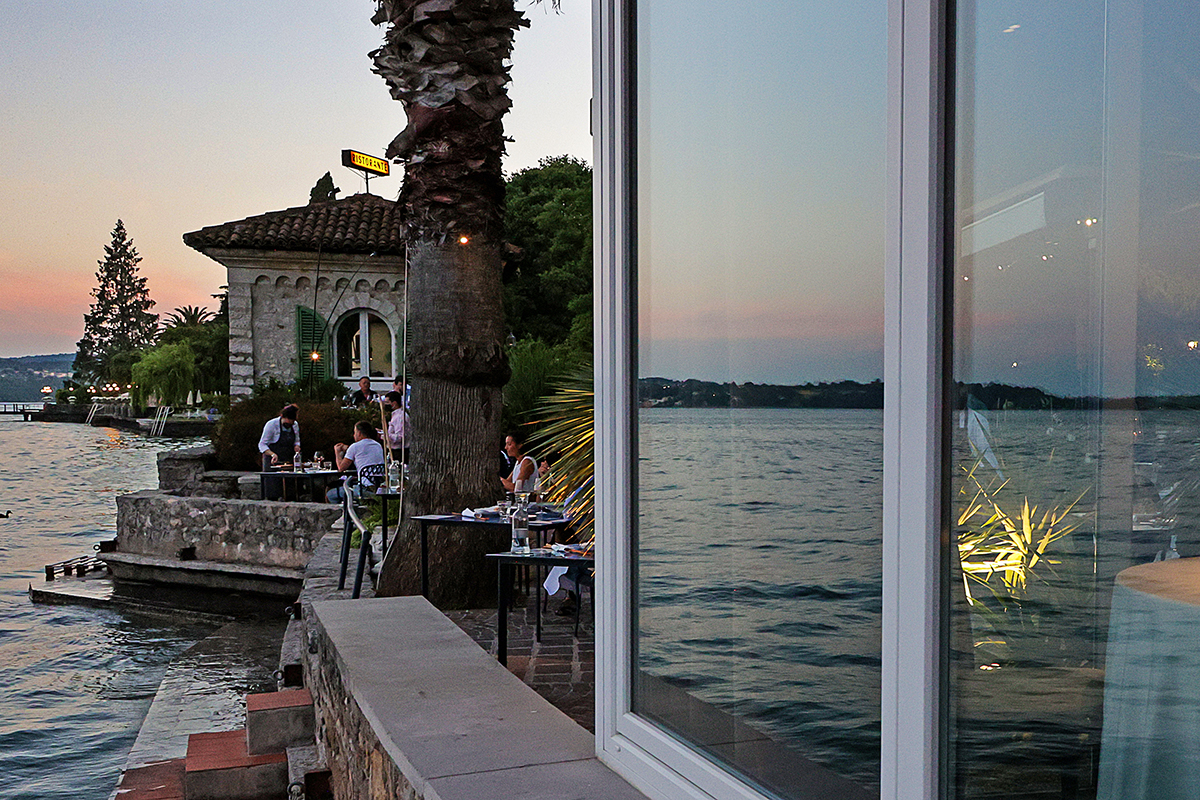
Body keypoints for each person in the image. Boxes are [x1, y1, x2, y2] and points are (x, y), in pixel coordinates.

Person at [327, 420, 386, 503]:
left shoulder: (355, 446)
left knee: (330, 494)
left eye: (354, 432)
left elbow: (341, 468)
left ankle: (344, 514)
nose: (353, 435)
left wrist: (337, 453)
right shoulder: (377, 445)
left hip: (363, 489)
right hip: (378, 487)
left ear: (359, 433)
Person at [258, 404, 301, 471]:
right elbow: (262, 444)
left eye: (292, 422)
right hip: (272, 462)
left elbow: (296, 440)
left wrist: (297, 446)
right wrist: (272, 454)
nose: (290, 424)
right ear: (282, 416)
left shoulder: (295, 425)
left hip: (287, 461)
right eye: (288, 421)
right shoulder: (271, 424)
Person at [384, 390, 411, 464]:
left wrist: (386, 436)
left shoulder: (399, 417)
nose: (385, 405)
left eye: (387, 402)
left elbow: (400, 437)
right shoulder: (395, 415)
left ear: (394, 403)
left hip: (399, 452)